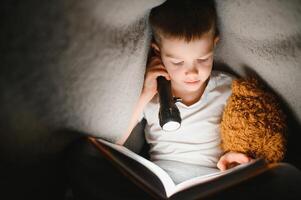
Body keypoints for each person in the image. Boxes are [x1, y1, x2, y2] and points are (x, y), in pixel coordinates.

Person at [117, 0, 252, 184]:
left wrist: (236, 158)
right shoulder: (153, 94)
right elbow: (116, 142)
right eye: (178, 62)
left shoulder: (228, 89)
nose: (192, 72)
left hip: (212, 181)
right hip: (159, 180)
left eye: (203, 59)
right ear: (158, 52)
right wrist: (146, 93)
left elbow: (248, 133)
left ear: (214, 44)